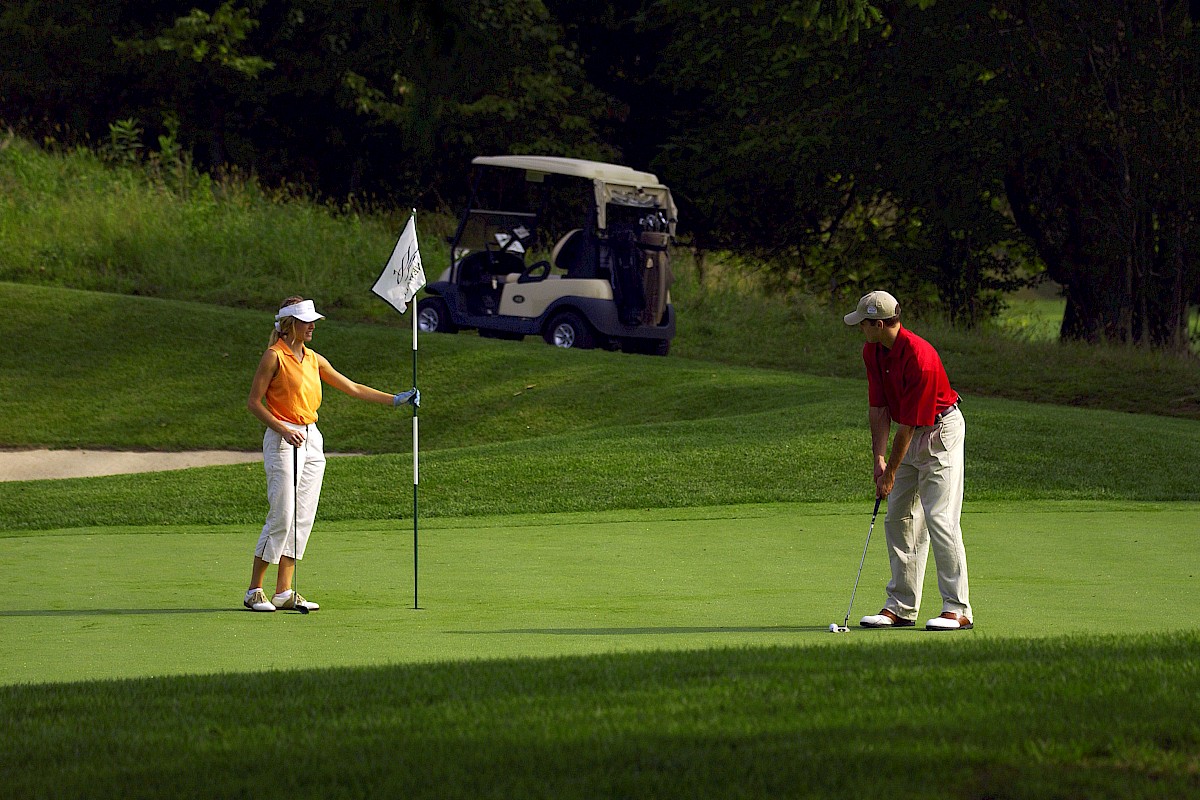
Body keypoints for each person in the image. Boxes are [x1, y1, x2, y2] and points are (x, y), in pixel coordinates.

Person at [243, 296, 418, 612]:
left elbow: (352, 388)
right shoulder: (274, 357)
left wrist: (396, 400)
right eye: (306, 321)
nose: (312, 326)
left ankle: (284, 591)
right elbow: (254, 402)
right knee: (282, 514)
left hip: (312, 439)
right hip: (284, 438)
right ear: (289, 324)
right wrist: (283, 429)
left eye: (312, 321)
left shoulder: (313, 359)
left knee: (303, 516)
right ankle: (255, 589)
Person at [844, 290, 973, 631]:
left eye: (864, 323)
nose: (860, 328)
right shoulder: (872, 351)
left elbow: (910, 425)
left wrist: (891, 473)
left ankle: (958, 608)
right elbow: (879, 408)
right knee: (898, 518)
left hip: (939, 434)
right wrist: (879, 459)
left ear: (880, 323)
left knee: (940, 519)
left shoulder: (919, 356)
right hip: (910, 433)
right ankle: (901, 606)